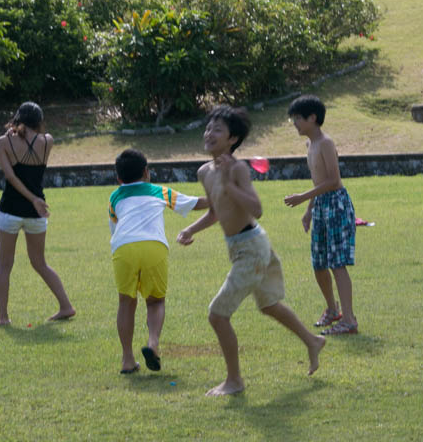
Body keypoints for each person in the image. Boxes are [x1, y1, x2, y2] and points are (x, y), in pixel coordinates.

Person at [176, 105, 326, 396]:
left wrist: (231, 185)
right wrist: (190, 230)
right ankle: (312, 341)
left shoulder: (238, 169)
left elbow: (256, 208)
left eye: (217, 129)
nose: (209, 133)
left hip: (252, 248)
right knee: (269, 305)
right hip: (246, 247)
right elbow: (216, 212)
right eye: (208, 128)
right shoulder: (204, 172)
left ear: (233, 139)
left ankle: (234, 381)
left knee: (217, 315)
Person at [109, 149, 208, 374]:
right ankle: (152, 344)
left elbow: (114, 228)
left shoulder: (115, 197)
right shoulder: (158, 191)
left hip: (123, 246)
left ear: (118, 178)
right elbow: (195, 203)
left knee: (126, 302)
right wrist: (221, 198)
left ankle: (127, 360)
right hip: (154, 246)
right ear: (146, 172)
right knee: (155, 302)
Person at [0, 101, 76, 326]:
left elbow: (11, 177)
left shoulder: (4, 142)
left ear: (18, 118)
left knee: (4, 265)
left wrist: (31, 199)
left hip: (10, 210)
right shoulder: (48, 141)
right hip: (37, 213)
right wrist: (35, 201)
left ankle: (3, 318)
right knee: (40, 263)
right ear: (39, 121)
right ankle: (66, 306)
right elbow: (34, 139)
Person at [283, 95, 358, 335]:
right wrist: (309, 210)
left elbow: (334, 181)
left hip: (335, 204)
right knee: (319, 263)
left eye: (297, 118)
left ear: (312, 118)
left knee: (337, 263)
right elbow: (318, 179)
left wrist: (303, 197)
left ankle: (349, 320)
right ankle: (332, 310)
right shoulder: (310, 145)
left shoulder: (325, 143)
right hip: (320, 206)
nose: (294, 123)